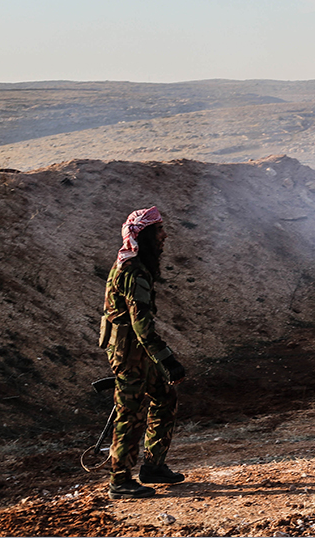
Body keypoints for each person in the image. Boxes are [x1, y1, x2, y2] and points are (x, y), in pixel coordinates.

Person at [100, 206, 187, 499]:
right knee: (130, 414)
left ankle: (153, 466)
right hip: (130, 355)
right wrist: (168, 360)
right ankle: (120, 480)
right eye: (159, 231)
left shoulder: (139, 267)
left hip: (138, 352)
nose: (164, 236)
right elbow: (142, 328)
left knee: (165, 396)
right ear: (145, 236)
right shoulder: (133, 271)